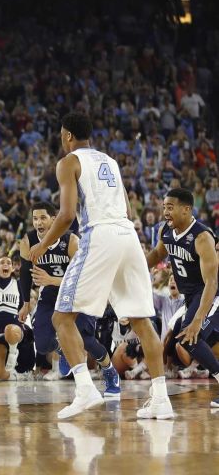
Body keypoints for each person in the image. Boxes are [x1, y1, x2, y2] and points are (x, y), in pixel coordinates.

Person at [30, 112, 171, 420]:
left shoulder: (68, 162)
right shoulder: (109, 161)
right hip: (128, 235)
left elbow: (66, 215)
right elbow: (129, 208)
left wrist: (42, 245)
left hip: (101, 235)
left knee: (61, 317)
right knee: (141, 320)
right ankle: (161, 399)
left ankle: (84, 389)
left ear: (67, 135)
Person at [19, 201, 119, 393]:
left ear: (53, 219)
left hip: (77, 294)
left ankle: (109, 371)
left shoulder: (71, 240)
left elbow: (82, 277)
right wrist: (25, 304)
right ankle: (63, 349)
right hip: (49, 296)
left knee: (85, 339)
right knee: (42, 344)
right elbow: (24, 274)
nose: (38, 222)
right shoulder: (27, 242)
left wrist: (51, 279)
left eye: (43, 218)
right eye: (35, 218)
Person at [145, 188, 219, 408]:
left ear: (186, 209)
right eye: (164, 207)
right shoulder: (165, 231)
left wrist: (197, 320)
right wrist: (136, 267)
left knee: (190, 335)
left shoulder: (202, 237)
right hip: (191, 295)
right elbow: (158, 254)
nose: (165, 211)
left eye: (170, 207)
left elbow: (211, 283)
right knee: (189, 339)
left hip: (211, 294)